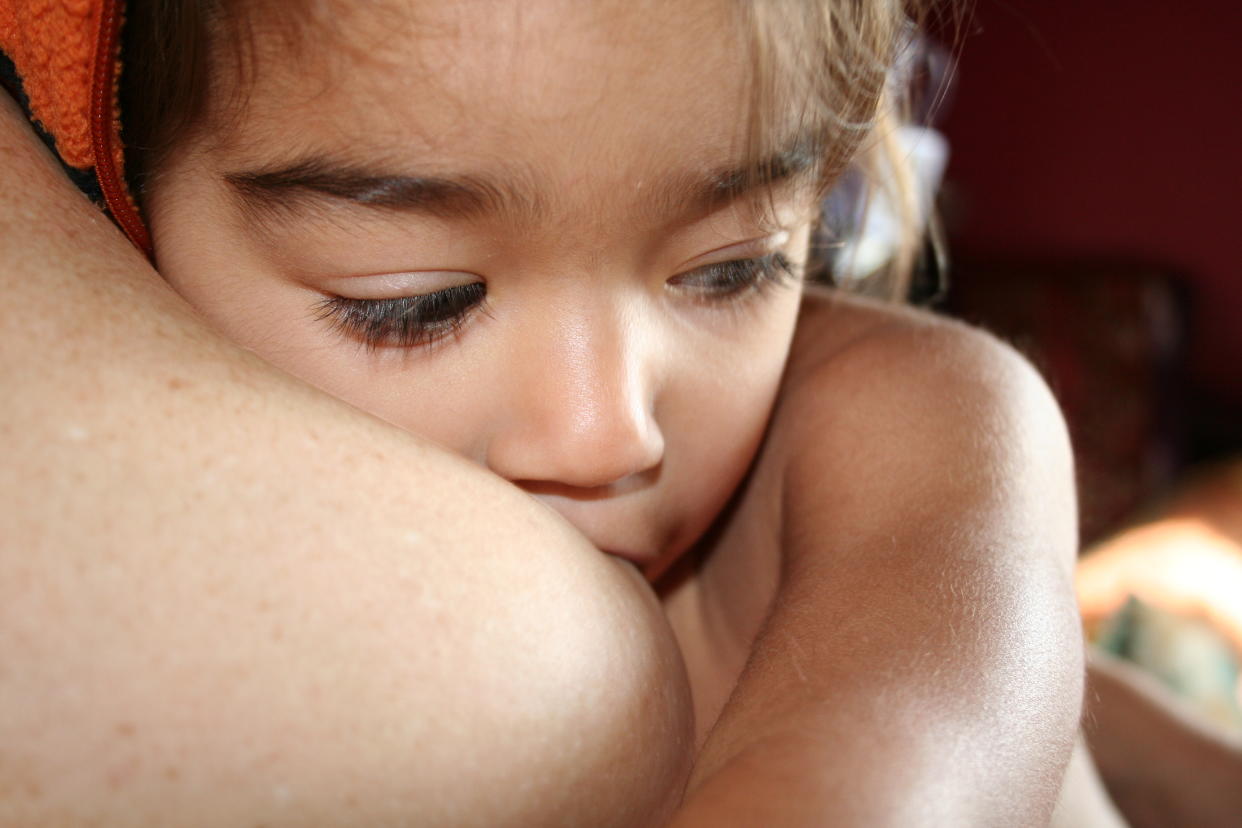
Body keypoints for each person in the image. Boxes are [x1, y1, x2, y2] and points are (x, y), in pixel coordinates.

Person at [0, 0, 1117, 824]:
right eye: (416, 304)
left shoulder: (919, 419)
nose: (606, 433)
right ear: (119, 209)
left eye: (729, 271)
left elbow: (914, 767)